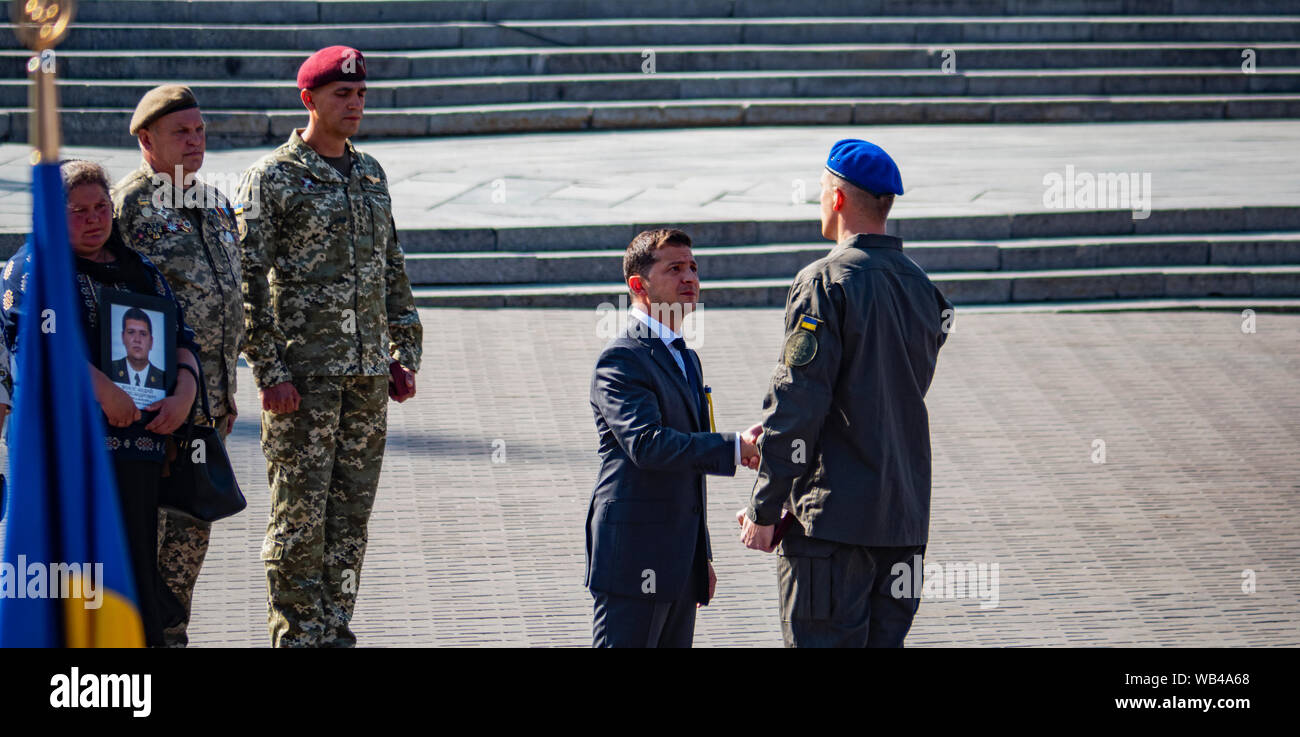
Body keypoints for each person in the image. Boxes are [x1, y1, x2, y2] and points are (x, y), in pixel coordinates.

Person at [236, 46, 422, 648]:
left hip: (366, 377)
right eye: (342, 94)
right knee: (298, 521)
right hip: (304, 381)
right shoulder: (274, 177)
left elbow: (391, 267)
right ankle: (296, 637)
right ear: (308, 99)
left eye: (361, 94)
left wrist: (404, 350)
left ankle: (334, 630)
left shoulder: (371, 172)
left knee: (349, 522)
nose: (355, 105)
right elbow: (249, 281)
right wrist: (269, 372)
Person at [736, 139, 953, 648]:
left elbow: (798, 404)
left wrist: (764, 509)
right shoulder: (923, 287)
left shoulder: (824, 281)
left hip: (832, 524)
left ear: (836, 198)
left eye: (819, 191)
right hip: (902, 518)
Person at [1, 159, 202, 646]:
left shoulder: (138, 268)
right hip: (68, 455)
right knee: (71, 577)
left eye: (101, 207)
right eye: (78, 211)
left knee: (131, 573)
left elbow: (181, 336)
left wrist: (184, 393)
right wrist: (105, 392)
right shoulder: (32, 269)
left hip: (140, 451)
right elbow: (37, 345)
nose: (94, 219)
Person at [112, 84, 244, 648]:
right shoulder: (129, 205)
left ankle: (172, 640)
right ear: (147, 140)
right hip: (154, 411)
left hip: (210, 408)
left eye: (199, 130)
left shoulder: (213, 202)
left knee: (189, 543)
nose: (194, 142)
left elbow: (237, 292)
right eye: (180, 133)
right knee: (147, 541)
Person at [586, 228, 760, 648]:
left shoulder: (686, 356)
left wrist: (700, 559)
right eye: (675, 268)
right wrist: (734, 447)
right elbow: (648, 445)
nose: (690, 279)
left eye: (694, 268)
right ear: (637, 285)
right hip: (634, 557)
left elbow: (688, 464)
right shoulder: (622, 357)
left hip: (678, 562)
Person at [109, 307, 166, 391]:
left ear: (151, 341)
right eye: (131, 332)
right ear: (123, 337)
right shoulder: (110, 369)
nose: (137, 339)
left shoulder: (163, 378)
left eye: (143, 334)